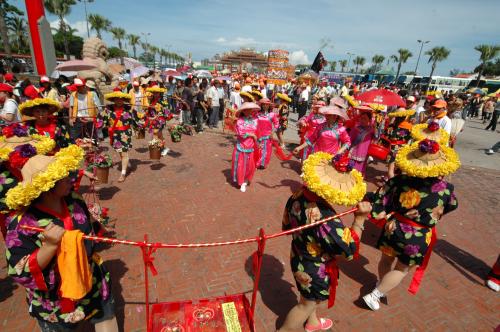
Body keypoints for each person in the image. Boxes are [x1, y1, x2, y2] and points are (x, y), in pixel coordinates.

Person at [4, 145, 118, 331]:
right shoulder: (22, 224)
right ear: (47, 186)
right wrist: (49, 246)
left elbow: (90, 229)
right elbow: (19, 270)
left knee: (106, 315)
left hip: (90, 279)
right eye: (63, 178)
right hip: (56, 298)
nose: (71, 179)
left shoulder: (74, 200)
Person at [278, 152, 371, 332]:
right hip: (314, 267)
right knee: (306, 304)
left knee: (308, 298)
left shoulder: (298, 194)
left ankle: (312, 323)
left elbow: (286, 225)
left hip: (298, 255)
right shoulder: (325, 218)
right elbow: (349, 250)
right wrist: (359, 220)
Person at [363, 139, 459, 311]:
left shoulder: (400, 181)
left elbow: (380, 199)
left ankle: (382, 286)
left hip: (392, 228)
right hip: (418, 235)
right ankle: (376, 294)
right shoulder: (445, 188)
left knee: (386, 259)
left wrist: (377, 210)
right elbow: (452, 205)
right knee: (402, 269)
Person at [101, 90, 136, 182]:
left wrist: (147, 119)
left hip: (125, 134)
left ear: (124, 99)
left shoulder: (128, 109)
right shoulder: (108, 109)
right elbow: (101, 120)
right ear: (113, 99)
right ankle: (127, 164)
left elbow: (137, 119)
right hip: (115, 135)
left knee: (124, 153)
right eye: (117, 99)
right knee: (121, 152)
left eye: (121, 99)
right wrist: (93, 120)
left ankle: (123, 173)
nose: (119, 101)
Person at [231, 102, 259, 192]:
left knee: (250, 165)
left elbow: (257, 130)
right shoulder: (240, 121)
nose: (249, 111)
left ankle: (246, 179)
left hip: (251, 146)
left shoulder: (254, 120)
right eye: (247, 110)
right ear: (243, 111)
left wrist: (257, 139)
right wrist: (251, 135)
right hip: (242, 145)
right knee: (241, 164)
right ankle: (241, 181)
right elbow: (241, 133)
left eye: (250, 110)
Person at [383, 108, 415, 179]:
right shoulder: (410, 126)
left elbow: (386, 135)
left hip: (393, 148)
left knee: (390, 169)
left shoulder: (392, 126)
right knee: (400, 169)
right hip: (403, 148)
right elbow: (411, 138)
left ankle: (391, 183)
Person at [349, 110, 375, 175]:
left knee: (358, 175)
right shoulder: (355, 128)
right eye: (361, 118)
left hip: (363, 156)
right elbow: (349, 140)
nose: (362, 120)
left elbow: (372, 142)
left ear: (369, 120)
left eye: (365, 119)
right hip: (353, 155)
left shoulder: (371, 131)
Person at [256, 98, 278, 169]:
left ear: (269, 106)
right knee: (257, 149)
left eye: (267, 104)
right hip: (258, 135)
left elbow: (277, 124)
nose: (265, 106)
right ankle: (256, 162)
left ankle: (263, 163)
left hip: (267, 136)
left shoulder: (272, 114)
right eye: (263, 104)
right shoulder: (257, 114)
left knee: (266, 151)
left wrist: (273, 132)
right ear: (261, 105)